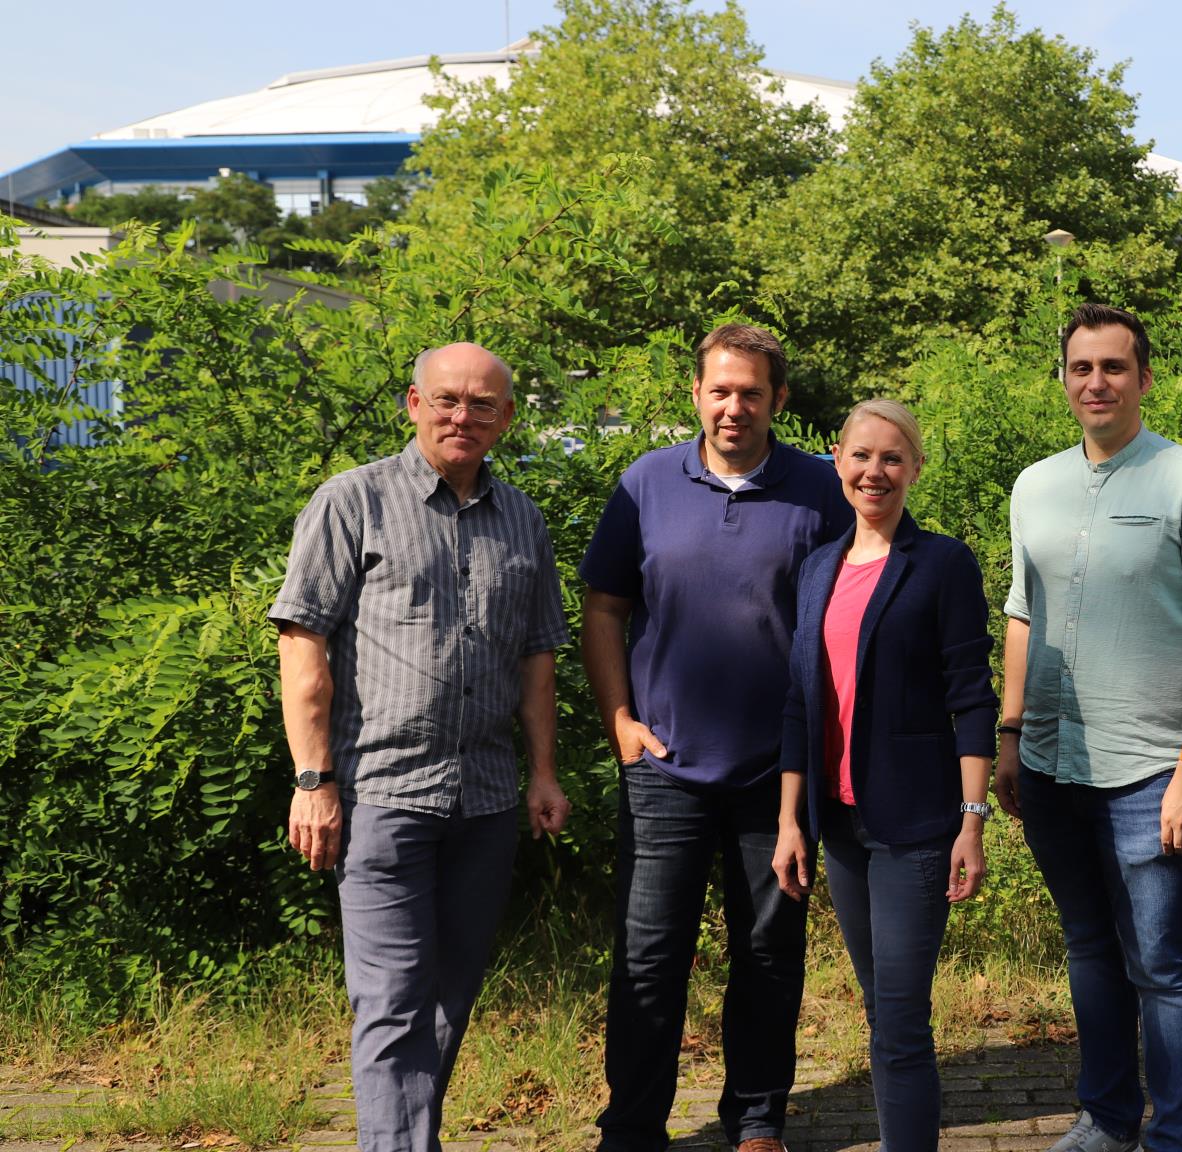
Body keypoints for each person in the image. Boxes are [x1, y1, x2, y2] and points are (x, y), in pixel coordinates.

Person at [275, 342, 571, 1152]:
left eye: (482, 405)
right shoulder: (352, 501)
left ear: (507, 418)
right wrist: (313, 781)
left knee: (450, 995)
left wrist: (543, 771)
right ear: (413, 403)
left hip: (485, 797)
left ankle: (406, 1136)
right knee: (393, 999)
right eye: (446, 400)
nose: (461, 417)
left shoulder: (523, 517)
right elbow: (302, 646)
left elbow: (536, 654)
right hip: (379, 795)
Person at [581, 324, 852, 1152]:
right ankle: (633, 1127)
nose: (735, 406)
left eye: (753, 392)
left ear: (780, 400)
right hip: (665, 767)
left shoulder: (821, 489)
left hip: (779, 773)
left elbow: (852, 611)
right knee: (648, 958)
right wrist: (621, 723)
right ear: (696, 394)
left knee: (769, 953)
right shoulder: (647, 484)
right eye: (721, 390)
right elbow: (603, 607)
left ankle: (758, 1117)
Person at [994, 303, 1182, 1152]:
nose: (1095, 382)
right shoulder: (1034, 484)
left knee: (1163, 966)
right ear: (1063, 379)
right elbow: (1021, 615)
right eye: (1081, 368)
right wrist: (1009, 736)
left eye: (1113, 367)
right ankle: (1107, 1119)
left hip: (1151, 771)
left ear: (1145, 378)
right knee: (1089, 950)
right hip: (1051, 766)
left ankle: (1180, 1136)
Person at [769, 399, 999, 1152]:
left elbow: (971, 695)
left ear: (915, 469)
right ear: (837, 460)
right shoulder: (815, 570)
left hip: (917, 824)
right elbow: (800, 703)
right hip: (838, 828)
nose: (875, 471)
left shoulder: (942, 563)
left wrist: (973, 820)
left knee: (900, 1021)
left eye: (892, 458)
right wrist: (789, 821)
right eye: (862, 455)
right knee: (881, 1012)